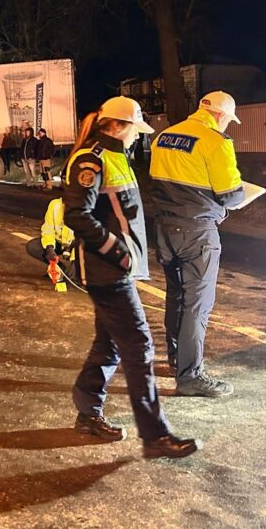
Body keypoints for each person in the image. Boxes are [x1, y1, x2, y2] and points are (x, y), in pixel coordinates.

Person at [64, 96, 198, 459]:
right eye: (135, 129)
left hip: (117, 269)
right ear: (117, 126)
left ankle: (87, 412)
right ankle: (156, 437)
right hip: (107, 272)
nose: (138, 136)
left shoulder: (116, 156)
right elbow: (76, 214)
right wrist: (118, 252)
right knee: (139, 347)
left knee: (109, 343)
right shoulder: (91, 159)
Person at [149, 91, 245, 398]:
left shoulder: (163, 137)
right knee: (197, 305)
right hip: (197, 232)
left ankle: (177, 360)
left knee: (176, 297)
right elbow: (230, 194)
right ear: (220, 115)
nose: (227, 126)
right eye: (228, 120)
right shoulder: (216, 142)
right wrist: (241, 193)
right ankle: (190, 376)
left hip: (165, 229)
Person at [25, 197, 75, 286]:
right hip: (60, 243)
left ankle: (77, 272)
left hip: (78, 246)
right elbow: (48, 229)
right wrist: (49, 248)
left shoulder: (85, 208)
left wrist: (74, 262)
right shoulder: (55, 204)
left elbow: (83, 239)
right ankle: (60, 269)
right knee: (33, 247)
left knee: (75, 276)